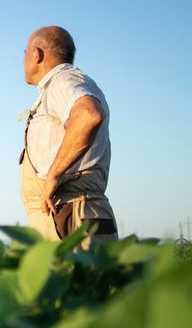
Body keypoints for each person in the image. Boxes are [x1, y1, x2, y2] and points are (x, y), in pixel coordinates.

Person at [19, 26, 118, 249]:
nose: (24, 58)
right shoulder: (66, 84)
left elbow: (88, 115)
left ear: (36, 54)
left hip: (71, 216)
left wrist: (54, 174)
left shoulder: (63, 80)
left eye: (25, 52)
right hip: (68, 215)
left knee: (79, 282)